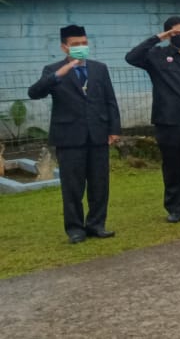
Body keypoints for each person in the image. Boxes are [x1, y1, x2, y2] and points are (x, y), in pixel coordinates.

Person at [28, 25, 121, 243]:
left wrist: (114, 129)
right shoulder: (53, 70)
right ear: (64, 47)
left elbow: (110, 100)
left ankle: (97, 224)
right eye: (75, 45)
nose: (81, 47)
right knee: (72, 187)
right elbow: (34, 93)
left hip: (98, 135)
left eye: (84, 43)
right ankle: (75, 229)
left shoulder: (100, 68)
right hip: (69, 138)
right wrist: (59, 74)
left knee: (100, 184)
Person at [126, 16, 180, 223]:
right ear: (168, 35)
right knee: (173, 165)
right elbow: (131, 57)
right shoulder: (157, 56)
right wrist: (157, 38)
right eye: (177, 34)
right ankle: (175, 207)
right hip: (170, 121)